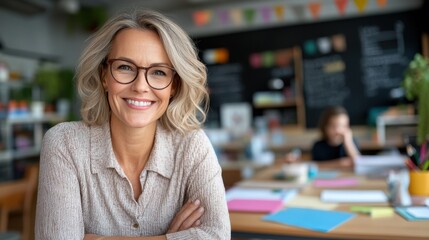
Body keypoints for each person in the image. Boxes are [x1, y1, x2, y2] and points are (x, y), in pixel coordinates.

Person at [35, 9, 230, 240]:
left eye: (158, 72)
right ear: (104, 75)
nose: (140, 86)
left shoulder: (192, 146)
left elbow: (216, 235)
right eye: (125, 67)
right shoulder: (64, 143)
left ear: (173, 86)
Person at [284, 106, 360, 169]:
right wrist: (339, 163)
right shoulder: (318, 146)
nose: (338, 130)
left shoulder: (351, 143)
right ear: (325, 127)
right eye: (333, 126)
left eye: (343, 126)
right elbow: (314, 166)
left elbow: (359, 163)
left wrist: (348, 142)